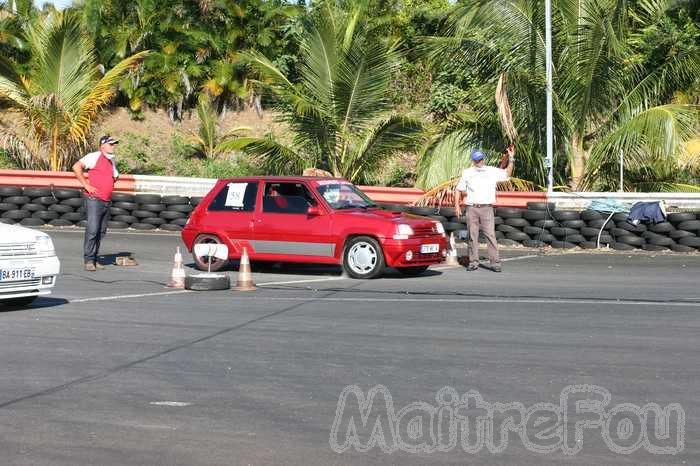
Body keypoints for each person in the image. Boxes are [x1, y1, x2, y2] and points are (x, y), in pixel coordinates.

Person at [455, 145, 515, 272]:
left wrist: (511, 158)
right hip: (472, 208)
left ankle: (495, 263)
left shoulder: (491, 171)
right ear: (473, 161)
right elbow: (458, 189)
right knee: (472, 236)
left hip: (487, 208)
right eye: (477, 160)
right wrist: (457, 205)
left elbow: (507, 174)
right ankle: (473, 262)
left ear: (484, 159)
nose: (479, 162)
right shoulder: (467, 172)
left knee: (490, 235)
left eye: (481, 159)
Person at [72, 135, 120, 271]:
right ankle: (88, 260)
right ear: (102, 145)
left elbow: (115, 177)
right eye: (111, 144)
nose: (113, 146)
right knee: (93, 229)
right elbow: (76, 167)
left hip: (106, 200)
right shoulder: (94, 156)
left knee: (101, 231)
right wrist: (86, 185)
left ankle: (95, 258)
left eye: (114, 144)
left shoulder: (111, 160)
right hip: (94, 199)